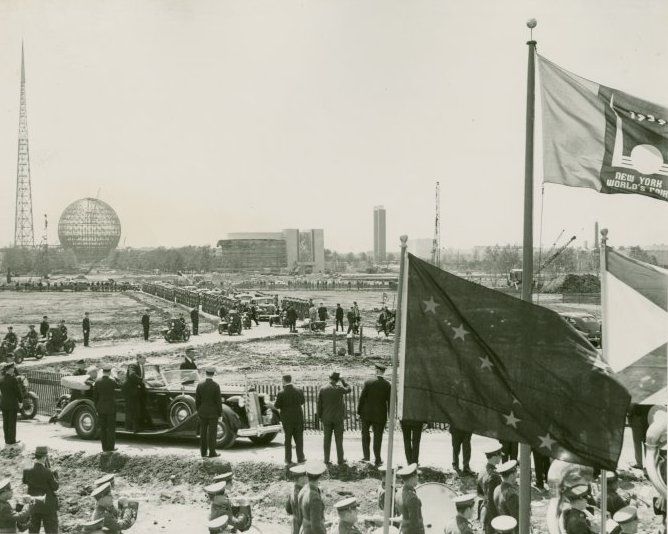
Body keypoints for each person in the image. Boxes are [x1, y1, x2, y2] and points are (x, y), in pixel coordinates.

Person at [357, 363, 391, 466]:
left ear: (376, 371)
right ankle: (378, 459)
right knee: (378, 437)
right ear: (383, 372)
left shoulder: (368, 382)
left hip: (366, 414)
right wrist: (389, 416)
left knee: (365, 435)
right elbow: (390, 401)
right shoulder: (387, 385)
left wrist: (359, 412)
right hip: (380, 415)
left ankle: (366, 457)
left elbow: (362, 398)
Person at [22, 445, 59, 533]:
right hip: (48, 506)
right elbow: (55, 487)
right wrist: (55, 476)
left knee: (33, 530)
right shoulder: (48, 472)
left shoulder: (27, 470)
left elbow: (25, 481)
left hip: (34, 505)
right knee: (51, 530)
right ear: (44, 457)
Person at [317, 372, 351, 465]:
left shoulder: (323, 389)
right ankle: (340, 460)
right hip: (338, 419)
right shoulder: (339, 389)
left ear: (330, 378)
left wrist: (320, 417)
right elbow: (349, 389)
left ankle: (326, 460)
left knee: (326, 440)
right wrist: (343, 380)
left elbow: (319, 405)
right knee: (339, 440)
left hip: (326, 418)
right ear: (337, 380)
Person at [274, 374, 306, 465]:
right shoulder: (299, 390)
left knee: (288, 439)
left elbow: (277, 406)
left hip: (287, 419)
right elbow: (303, 401)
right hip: (298, 418)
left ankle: (288, 459)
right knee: (299, 438)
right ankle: (301, 458)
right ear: (291, 380)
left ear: (284, 380)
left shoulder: (281, 392)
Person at [196, 367, 222, 458]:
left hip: (202, 412)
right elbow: (218, 401)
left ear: (205, 373)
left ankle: (203, 453)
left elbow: (197, 400)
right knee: (212, 433)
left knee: (202, 433)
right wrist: (220, 414)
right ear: (213, 374)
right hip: (213, 413)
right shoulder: (216, 385)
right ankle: (212, 452)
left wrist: (199, 411)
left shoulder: (200, 385)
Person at [477, 443, 503, 534]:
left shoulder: (482, 471)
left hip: (484, 511)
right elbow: (493, 500)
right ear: (495, 456)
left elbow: (479, 493)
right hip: (492, 514)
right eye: (500, 455)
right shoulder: (494, 476)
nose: (500, 458)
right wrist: (497, 518)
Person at [123, 355, 151, 432]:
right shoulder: (133, 365)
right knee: (133, 408)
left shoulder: (142, 367)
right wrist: (141, 380)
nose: (145, 360)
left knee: (139, 408)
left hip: (138, 390)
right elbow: (132, 375)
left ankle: (141, 425)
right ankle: (132, 428)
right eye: (143, 358)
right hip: (131, 390)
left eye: (145, 358)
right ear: (138, 359)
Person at [298, 462, 327, 534]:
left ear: (307, 474)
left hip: (304, 529)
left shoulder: (303, 489)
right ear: (320, 476)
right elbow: (316, 526)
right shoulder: (314, 498)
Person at [94, 365, 117, 453]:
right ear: (110, 372)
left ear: (103, 372)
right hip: (111, 408)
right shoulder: (112, 381)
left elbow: (95, 396)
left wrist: (97, 407)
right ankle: (111, 447)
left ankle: (104, 448)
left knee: (103, 428)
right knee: (111, 428)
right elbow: (118, 388)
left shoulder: (97, 381)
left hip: (100, 408)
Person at [0, 362, 23, 446]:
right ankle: (12, 440)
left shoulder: (1, 378)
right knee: (12, 422)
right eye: (12, 368)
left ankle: (7, 440)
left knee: (5, 422)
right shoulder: (13, 379)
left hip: (3, 403)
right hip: (12, 404)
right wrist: (21, 401)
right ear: (9, 369)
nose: (14, 369)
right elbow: (18, 392)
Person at [397, 464, 424, 534]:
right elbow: (414, 525)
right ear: (412, 478)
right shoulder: (412, 498)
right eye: (417, 476)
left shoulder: (399, 492)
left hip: (403, 529)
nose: (418, 478)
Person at [627, 403, 651, 469]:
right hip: (648, 416)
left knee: (637, 441)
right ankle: (649, 464)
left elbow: (631, 405)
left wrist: (629, 414)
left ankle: (639, 463)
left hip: (637, 416)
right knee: (647, 442)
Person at [286, 465, 307, 534]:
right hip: (304, 525)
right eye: (304, 477)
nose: (306, 479)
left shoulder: (291, 490)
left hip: (295, 524)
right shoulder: (304, 492)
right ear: (301, 478)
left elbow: (288, 510)